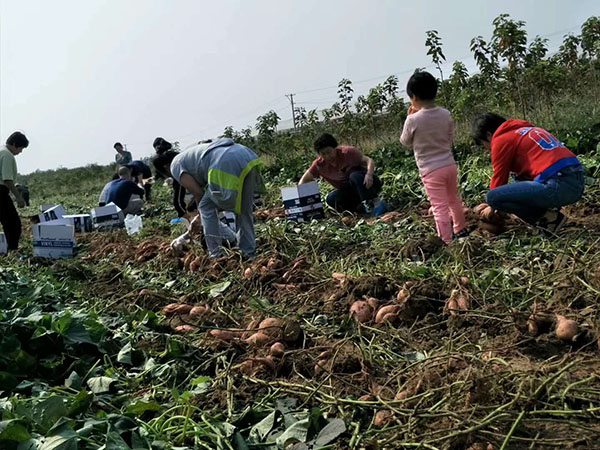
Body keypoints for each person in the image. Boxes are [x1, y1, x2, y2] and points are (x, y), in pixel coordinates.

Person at [472, 113, 585, 233]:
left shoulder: (501, 139)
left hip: (559, 185)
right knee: (517, 180)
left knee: (493, 197)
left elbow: (499, 179)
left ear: (488, 135)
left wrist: (491, 205)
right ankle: (549, 213)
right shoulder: (525, 131)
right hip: (576, 182)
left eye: (483, 145)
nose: (486, 149)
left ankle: (551, 219)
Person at [153, 138, 262, 259]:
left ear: (166, 167)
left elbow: (198, 193)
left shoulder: (175, 166)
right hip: (245, 154)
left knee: (205, 207)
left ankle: (216, 254)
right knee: (243, 208)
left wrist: (199, 218)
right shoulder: (188, 156)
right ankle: (248, 252)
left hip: (224, 162)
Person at [400, 71, 468, 243]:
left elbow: (405, 141)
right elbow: (449, 137)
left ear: (413, 97)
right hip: (449, 164)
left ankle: (445, 240)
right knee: (454, 199)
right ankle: (461, 229)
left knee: (439, 207)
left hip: (430, 170)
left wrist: (409, 116)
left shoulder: (413, 120)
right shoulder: (445, 113)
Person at [299, 133, 386, 216]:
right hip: (350, 191)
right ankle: (358, 208)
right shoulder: (319, 165)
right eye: (323, 154)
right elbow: (304, 180)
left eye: (329, 152)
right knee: (331, 199)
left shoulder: (348, 152)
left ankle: (374, 203)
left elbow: (368, 160)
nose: (327, 156)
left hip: (367, 184)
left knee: (354, 176)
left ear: (335, 148)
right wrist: (301, 198)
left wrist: (369, 175)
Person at [0, 132, 29, 251]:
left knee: (8, 222)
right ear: (15, 144)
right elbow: (7, 179)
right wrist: (18, 197)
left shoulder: (1, 151)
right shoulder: (7, 155)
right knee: (14, 224)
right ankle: (12, 251)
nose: (20, 152)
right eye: (21, 148)